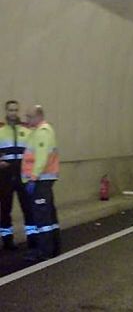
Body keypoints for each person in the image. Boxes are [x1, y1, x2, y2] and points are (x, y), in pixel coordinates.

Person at [21, 105, 60, 261]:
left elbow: (41, 158)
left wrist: (33, 178)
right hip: (43, 180)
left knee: (42, 218)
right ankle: (54, 247)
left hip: (40, 181)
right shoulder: (39, 131)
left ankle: (44, 251)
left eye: (29, 116)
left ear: (38, 116)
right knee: (49, 216)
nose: (27, 119)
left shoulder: (42, 132)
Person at [0, 100, 34, 251]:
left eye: (15, 110)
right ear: (6, 112)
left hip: (22, 174)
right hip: (5, 175)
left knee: (28, 208)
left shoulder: (26, 132)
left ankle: (33, 239)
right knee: (5, 209)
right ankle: (7, 241)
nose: (13, 113)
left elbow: (32, 153)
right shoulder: (1, 132)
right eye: (10, 110)